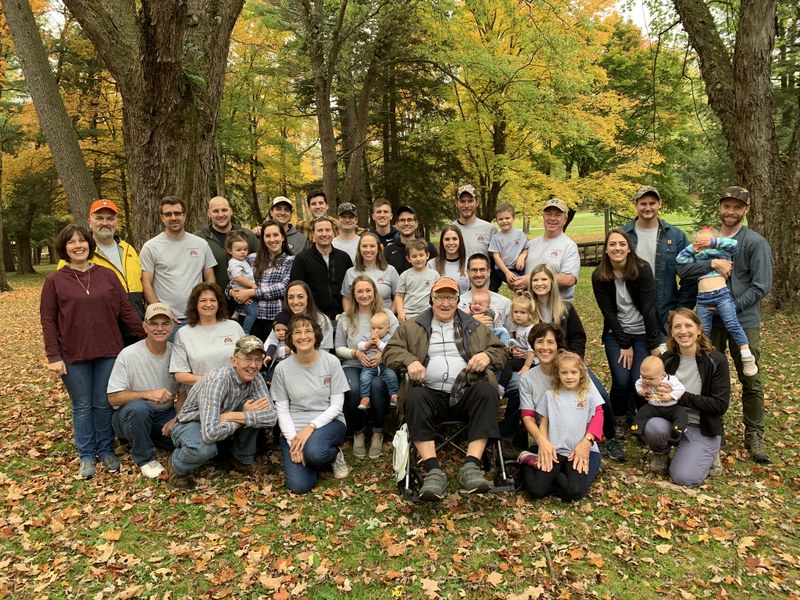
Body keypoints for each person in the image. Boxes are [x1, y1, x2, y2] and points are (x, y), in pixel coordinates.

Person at [383, 277, 507, 501]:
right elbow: (390, 351)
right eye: (440, 297)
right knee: (414, 397)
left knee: (487, 392)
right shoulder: (413, 327)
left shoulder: (473, 325)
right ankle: (432, 471)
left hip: (466, 391)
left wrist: (487, 355)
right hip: (429, 394)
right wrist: (410, 360)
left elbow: (500, 351)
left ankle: (471, 467)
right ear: (431, 299)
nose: (445, 303)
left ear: (458, 300)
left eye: (450, 297)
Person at [676, 186, 772, 463]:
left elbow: (761, 285)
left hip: (743, 320)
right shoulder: (706, 240)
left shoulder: (754, 242)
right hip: (708, 321)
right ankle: (710, 428)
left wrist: (730, 306)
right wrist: (712, 264)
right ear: (720, 208)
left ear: (746, 210)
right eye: (726, 206)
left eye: (737, 207)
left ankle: (754, 433)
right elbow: (683, 269)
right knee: (705, 375)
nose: (730, 212)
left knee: (750, 377)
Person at [40, 224, 146, 479]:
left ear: (90, 244)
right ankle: (87, 456)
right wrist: (53, 356)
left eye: (82, 241)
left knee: (102, 403)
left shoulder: (107, 275)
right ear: (64, 248)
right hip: (73, 354)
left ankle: (106, 450)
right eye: (71, 242)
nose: (78, 246)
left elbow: (126, 310)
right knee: (82, 405)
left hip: (109, 350)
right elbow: (48, 320)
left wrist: (146, 335)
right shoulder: (55, 280)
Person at [526, 263, 626, 461]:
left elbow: (579, 337)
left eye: (544, 279)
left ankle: (609, 437)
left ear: (552, 282)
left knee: (600, 396)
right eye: (535, 280)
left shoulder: (565, 309)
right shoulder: (526, 309)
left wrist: (572, 359)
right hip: (540, 364)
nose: (540, 283)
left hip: (568, 365)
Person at [167, 336, 277, 489]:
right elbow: (210, 433)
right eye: (247, 359)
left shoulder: (256, 377)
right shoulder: (218, 381)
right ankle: (176, 465)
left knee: (255, 409)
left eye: (258, 360)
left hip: (220, 421)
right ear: (234, 361)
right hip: (191, 423)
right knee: (204, 448)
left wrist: (234, 416)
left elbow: (271, 417)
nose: (253, 365)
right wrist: (242, 419)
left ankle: (241, 460)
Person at [641, 309, 730, 485]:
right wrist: (646, 391)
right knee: (652, 426)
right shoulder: (666, 359)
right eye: (677, 327)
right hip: (671, 420)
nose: (683, 331)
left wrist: (679, 396)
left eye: (688, 325)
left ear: (699, 329)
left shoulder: (716, 360)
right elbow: (651, 391)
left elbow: (720, 405)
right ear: (672, 332)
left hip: (701, 426)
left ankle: (708, 452)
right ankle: (661, 452)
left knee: (683, 477)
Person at [271, 315, 351, 493]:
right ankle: (311, 456)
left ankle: (333, 455)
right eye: (297, 332)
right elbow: (282, 410)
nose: (303, 336)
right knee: (300, 486)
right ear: (291, 337)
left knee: (315, 453)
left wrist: (311, 427)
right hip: (294, 427)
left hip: (329, 422)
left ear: (316, 335)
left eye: (308, 331)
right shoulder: (282, 369)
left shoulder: (331, 362)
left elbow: (337, 405)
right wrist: (294, 442)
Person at [592, 229, 661, 426]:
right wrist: (623, 343)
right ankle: (618, 420)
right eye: (612, 244)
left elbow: (649, 308)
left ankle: (642, 420)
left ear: (629, 248)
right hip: (617, 334)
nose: (617, 248)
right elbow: (608, 313)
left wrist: (653, 342)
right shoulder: (599, 276)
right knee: (621, 381)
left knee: (637, 380)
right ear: (606, 250)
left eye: (622, 244)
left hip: (642, 333)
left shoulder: (642, 269)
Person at [56, 199, 145, 345]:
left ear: (116, 222)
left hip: (134, 323)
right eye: (99, 218)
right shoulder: (78, 254)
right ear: (90, 222)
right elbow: (62, 298)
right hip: (102, 328)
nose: (105, 223)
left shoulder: (128, 249)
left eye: (110, 219)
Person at [108, 303, 181, 478]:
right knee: (140, 408)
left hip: (164, 415)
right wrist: (147, 394)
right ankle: (145, 459)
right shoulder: (129, 354)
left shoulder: (177, 353)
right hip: (129, 415)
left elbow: (184, 392)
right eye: (154, 323)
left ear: (172, 326)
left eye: (165, 323)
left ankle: (147, 438)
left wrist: (176, 419)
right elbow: (113, 398)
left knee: (183, 438)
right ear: (144, 326)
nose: (160, 328)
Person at [520, 351, 604, 502]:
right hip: (554, 452)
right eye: (564, 372)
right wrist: (543, 446)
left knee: (575, 492)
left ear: (581, 374)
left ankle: (555, 475)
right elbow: (544, 423)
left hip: (575, 454)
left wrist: (586, 442)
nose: (569, 376)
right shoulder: (550, 395)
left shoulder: (588, 396)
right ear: (558, 374)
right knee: (535, 490)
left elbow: (596, 418)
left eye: (573, 372)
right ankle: (528, 460)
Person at [676, 227, 758, 376]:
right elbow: (680, 260)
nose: (702, 244)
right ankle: (700, 358)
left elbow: (733, 244)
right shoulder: (697, 257)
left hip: (721, 296)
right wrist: (693, 247)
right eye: (698, 241)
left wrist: (713, 242)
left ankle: (746, 355)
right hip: (702, 299)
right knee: (702, 330)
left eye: (705, 240)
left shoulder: (722, 252)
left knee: (732, 323)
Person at [335, 276, 398, 459]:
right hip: (353, 364)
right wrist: (356, 353)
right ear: (353, 295)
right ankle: (358, 432)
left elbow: (397, 342)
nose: (364, 295)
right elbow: (338, 347)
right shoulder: (346, 318)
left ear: (374, 292)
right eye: (359, 291)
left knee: (377, 385)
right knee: (353, 388)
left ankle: (378, 431)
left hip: (381, 365)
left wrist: (382, 356)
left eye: (368, 290)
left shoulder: (387, 314)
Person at [620, 186, 696, 335]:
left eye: (652, 203)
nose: (647, 208)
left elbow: (690, 276)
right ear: (636, 205)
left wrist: (679, 310)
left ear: (660, 204)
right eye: (643, 203)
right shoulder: (623, 236)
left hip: (664, 313)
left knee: (666, 357)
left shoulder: (675, 236)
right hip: (630, 313)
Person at [140, 196, 217, 337]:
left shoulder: (201, 244)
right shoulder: (151, 247)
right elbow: (146, 282)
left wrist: (207, 308)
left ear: (184, 216)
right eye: (168, 214)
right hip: (168, 321)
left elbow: (209, 278)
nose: (173, 217)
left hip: (198, 317)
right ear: (162, 218)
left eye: (177, 213)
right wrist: (160, 312)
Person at [170, 283, 245, 388]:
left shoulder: (234, 327)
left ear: (219, 303)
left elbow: (247, 361)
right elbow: (179, 375)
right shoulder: (183, 333)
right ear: (195, 304)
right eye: (203, 300)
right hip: (202, 394)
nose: (209, 304)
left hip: (235, 392)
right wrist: (208, 380)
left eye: (213, 300)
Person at [229, 220, 294, 341]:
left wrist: (251, 292)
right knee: (249, 355)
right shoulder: (251, 258)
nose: (272, 239)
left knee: (272, 355)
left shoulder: (290, 260)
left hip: (274, 317)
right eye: (267, 235)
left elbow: (283, 288)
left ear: (283, 237)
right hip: (248, 315)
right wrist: (233, 293)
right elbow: (234, 281)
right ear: (262, 239)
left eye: (276, 235)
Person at [512, 197, 580, 302]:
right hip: (530, 308)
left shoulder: (569, 246)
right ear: (543, 217)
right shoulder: (530, 244)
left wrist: (531, 280)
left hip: (557, 308)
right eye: (549, 214)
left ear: (565, 220)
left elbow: (569, 280)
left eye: (558, 215)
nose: (552, 218)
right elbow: (517, 274)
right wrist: (515, 282)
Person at [194, 196, 258, 303]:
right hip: (212, 302)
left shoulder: (247, 235)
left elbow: (261, 263)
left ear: (231, 211)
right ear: (209, 213)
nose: (220, 215)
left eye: (224, 210)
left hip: (246, 300)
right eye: (215, 211)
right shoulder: (199, 238)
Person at [289, 216, 353, 322]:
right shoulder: (302, 259)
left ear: (333, 233)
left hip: (342, 317)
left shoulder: (343, 258)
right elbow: (297, 289)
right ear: (313, 234)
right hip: (313, 319)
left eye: (327, 230)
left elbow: (351, 288)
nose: (324, 234)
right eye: (320, 230)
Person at [264, 281, 335, 353]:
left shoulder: (322, 320)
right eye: (291, 297)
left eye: (300, 297)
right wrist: (287, 350)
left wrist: (289, 351)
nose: (295, 302)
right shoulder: (282, 318)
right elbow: (266, 349)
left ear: (308, 298)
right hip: (283, 363)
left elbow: (323, 351)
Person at [631, 355, 687, 443]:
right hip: (653, 406)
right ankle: (637, 428)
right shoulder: (643, 380)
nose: (646, 381)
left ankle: (677, 429)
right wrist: (641, 392)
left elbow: (681, 389)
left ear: (663, 375)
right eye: (644, 377)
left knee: (681, 414)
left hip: (671, 407)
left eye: (651, 379)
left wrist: (671, 396)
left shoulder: (670, 380)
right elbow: (637, 384)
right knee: (642, 412)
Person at [341, 231, 400, 312]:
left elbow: (398, 295)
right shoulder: (350, 273)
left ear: (378, 248)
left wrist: (391, 315)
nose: (368, 250)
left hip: (384, 321)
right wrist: (349, 318)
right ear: (359, 249)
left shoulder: (390, 270)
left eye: (372, 246)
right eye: (364, 246)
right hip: (358, 320)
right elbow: (346, 298)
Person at [356, 312, 399, 411]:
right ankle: (365, 398)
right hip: (369, 366)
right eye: (373, 328)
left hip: (385, 365)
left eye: (380, 328)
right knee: (364, 377)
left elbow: (389, 349)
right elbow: (360, 346)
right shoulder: (367, 336)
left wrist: (379, 343)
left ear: (388, 328)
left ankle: (394, 395)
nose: (376, 331)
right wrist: (368, 343)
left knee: (391, 376)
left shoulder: (389, 338)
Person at [394, 239, 441, 322]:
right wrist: (400, 312)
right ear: (408, 259)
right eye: (414, 256)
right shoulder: (405, 275)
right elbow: (399, 296)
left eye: (421, 255)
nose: (418, 259)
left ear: (427, 255)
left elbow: (439, 295)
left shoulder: (434, 275)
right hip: (409, 315)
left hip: (429, 315)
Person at [383, 205, 438, 276]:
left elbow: (439, 270)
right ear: (396, 225)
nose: (406, 223)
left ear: (416, 223)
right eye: (402, 220)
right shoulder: (388, 251)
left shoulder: (428, 247)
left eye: (410, 220)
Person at [489, 203, 529, 292]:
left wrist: (522, 257)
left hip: (519, 267)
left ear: (513, 218)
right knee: (519, 284)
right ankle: (521, 303)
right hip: (504, 269)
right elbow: (496, 257)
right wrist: (507, 272)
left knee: (526, 285)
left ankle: (524, 303)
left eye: (507, 218)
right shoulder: (496, 238)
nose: (504, 221)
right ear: (497, 221)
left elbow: (525, 249)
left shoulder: (520, 234)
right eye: (500, 219)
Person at [226, 231, 259, 334]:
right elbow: (238, 278)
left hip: (243, 290)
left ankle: (236, 313)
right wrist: (252, 285)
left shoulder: (242, 260)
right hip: (242, 290)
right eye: (238, 250)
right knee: (253, 312)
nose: (243, 252)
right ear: (230, 250)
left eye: (245, 249)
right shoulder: (234, 263)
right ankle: (245, 332)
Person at [452, 184, 496, 262]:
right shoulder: (450, 230)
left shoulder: (489, 230)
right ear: (456, 203)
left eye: (470, 201)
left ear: (477, 202)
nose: (466, 205)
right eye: (462, 201)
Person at [428, 225, 470, 293]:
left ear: (460, 241)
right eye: (447, 239)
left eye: (454, 239)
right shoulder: (432, 264)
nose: (451, 243)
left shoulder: (469, 263)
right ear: (442, 242)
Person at [263, 311, 291, 385]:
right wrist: (269, 355)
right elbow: (272, 346)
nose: (281, 333)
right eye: (277, 330)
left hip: (290, 365)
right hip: (278, 364)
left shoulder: (292, 340)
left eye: (284, 330)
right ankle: (268, 382)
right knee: (273, 372)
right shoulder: (276, 340)